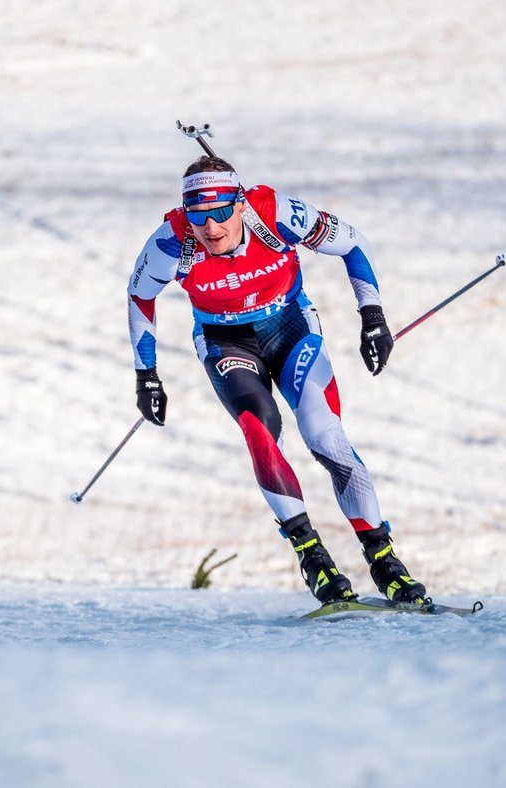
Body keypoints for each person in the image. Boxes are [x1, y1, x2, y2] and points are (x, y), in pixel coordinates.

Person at [126, 155, 427, 605]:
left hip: (290, 328)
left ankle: (384, 561)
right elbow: (139, 296)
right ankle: (313, 558)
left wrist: (373, 316)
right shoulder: (171, 242)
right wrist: (146, 375)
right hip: (225, 340)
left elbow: (352, 244)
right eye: (198, 216)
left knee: (325, 436)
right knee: (259, 429)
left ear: (240, 204)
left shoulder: (277, 215)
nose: (210, 228)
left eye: (221, 212)